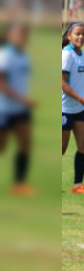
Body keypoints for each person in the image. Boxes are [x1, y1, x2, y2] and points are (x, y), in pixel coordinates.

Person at [0, 22, 36, 195]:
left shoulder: (23, 55)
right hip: (4, 109)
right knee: (2, 146)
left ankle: (19, 184)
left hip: (20, 110)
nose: (22, 37)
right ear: (9, 36)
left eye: (24, 34)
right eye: (19, 34)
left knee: (26, 144)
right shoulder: (5, 56)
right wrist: (23, 99)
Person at [61, 22, 84, 195]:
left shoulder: (81, 54)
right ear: (69, 36)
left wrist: (81, 102)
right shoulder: (66, 55)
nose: (81, 37)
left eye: (83, 34)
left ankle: (78, 186)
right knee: (60, 149)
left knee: (83, 146)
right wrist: (82, 99)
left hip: (79, 110)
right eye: (77, 34)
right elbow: (61, 82)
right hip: (64, 109)